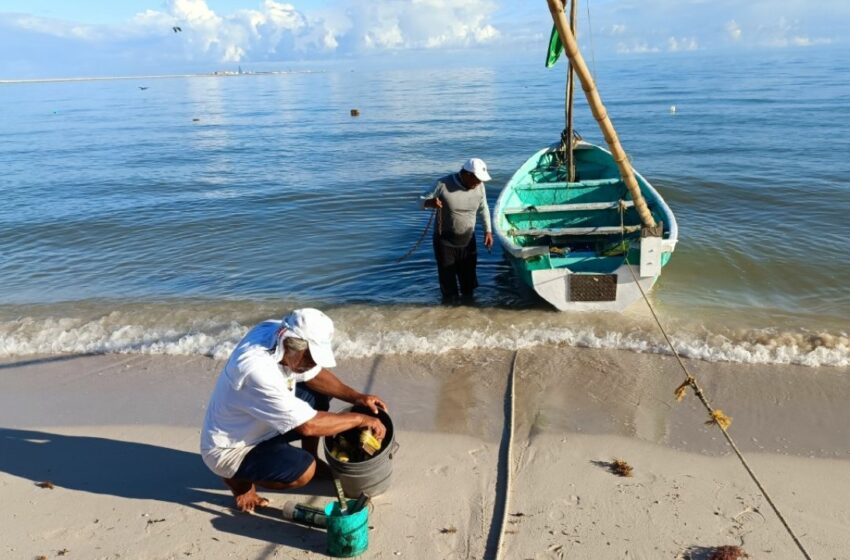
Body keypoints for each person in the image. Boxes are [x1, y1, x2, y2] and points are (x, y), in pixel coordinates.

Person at [200, 308, 388, 513]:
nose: (313, 364)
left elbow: (313, 375)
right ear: (290, 344)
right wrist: (360, 419)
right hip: (232, 448)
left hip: (260, 422)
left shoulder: (275, 331)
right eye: (310, 358)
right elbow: (309, 426)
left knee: (316, 394)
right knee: (304, 471)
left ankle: (310, 455)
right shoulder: (257, 371)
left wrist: (356, 397)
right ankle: (239, 481)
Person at [422, 157, 494, 303]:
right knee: (449, 290)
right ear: (467, 174)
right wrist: (430, 202)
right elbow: (419, 201)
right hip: (445, 243)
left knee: (469, 288)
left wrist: (488, 231)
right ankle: (448, 316)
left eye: (481, 180)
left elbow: (483, 207)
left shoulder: (479, 186)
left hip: (468, 241)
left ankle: (468, 315)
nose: (479, 183)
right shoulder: (442, 184)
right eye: (477, 179)